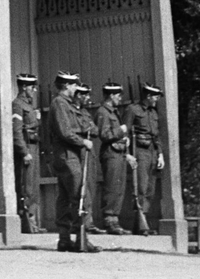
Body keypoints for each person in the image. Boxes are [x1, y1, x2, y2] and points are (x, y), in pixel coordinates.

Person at [47, 72, 100, 253]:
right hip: (67, 155)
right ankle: (81, 239)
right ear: (67, 86)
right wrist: (82, 142)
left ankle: (64, 239)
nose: (76, 88)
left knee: (64, 197)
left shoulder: (66, 105)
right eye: (74, 85)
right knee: (80, 195)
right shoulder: (59, 104)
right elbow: (64, 131)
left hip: (69, 155)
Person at [123, 83, 165, 234]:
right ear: (148, 96)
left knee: (150, 189)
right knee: (140, 187)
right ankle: (142, 225)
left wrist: (160, 154)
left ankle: (141, 222)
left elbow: (156, 135)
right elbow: (124, 133)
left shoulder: (153, 113)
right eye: (155, 96)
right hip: (139, 151)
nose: (157, 99)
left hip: (153, 151)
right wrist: (126, 154)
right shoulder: (132, 110)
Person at [95, 80, 133, 235]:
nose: (119, 98)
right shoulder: (103, 112)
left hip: (119, 152)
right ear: (111, 95)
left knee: (119, 187)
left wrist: (124, 138)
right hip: (111, 153)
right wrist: (120, 131)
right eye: (118, 95)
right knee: (111, 187)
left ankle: (114, 220)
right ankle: (109, 221)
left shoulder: (112, 111)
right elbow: (104, 134)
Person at [12, 73, 43, 233]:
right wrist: (24, 151)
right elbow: (17, 131)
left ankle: (32, 221)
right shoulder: (17, 104)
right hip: (27, 148)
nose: (34, 90)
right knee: (26, 186)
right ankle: (26, 221)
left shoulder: (29, 105)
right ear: (24, 87)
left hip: (34, 147)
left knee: (33, 186)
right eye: (32, 87)